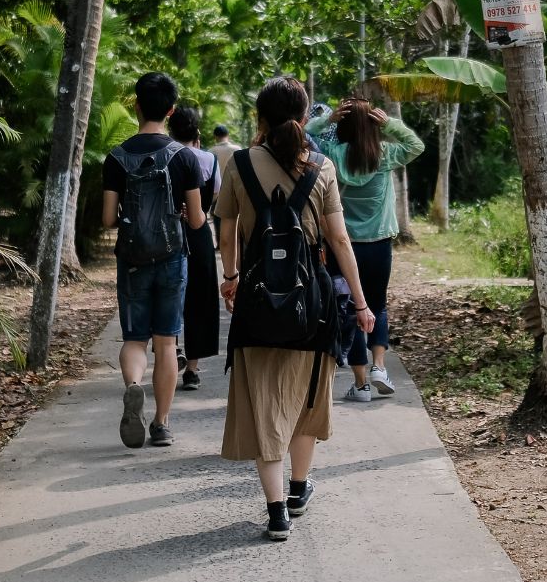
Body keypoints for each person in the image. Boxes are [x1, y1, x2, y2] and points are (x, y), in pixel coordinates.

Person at [216, 77, 374, 541]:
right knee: (307, 397)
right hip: (314, 303)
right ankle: (298, 489)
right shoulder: (321, 167)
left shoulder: (240, 165)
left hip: (257, 300)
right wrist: (362, 304)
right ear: (305, 118)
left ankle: (275, 512)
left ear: (260, 118)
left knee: (265, 401)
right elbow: (340, 240)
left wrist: (230, 278)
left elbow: (227, 236)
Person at [101, 73, 207, 449]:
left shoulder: (116, 158)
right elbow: (196, 221)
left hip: (131, 259)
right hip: (172, 257)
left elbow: (108, 219)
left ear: (136, 105)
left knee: (134, 338)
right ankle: (161, 424)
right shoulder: (185, 158)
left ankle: (133, 386)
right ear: (172, 110)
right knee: (166, 343)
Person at [307, 97, 425, 403]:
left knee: (351, 308)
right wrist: (389, 123)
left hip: (342, 246)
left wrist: (327, 120)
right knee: (377, 304)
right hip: (379, 245)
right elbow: (416, 145)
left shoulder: (331, 153)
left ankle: (360, 385)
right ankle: (379, 367)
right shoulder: (384, 154)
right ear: (372, 125)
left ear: (343, 126)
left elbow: (306, 136)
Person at [167, 107, 220, 391]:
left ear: (170, 130)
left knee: (170, 295)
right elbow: (216, 196)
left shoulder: (165, 156)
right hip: (199, 234)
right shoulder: (209, 159)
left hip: (169, 233)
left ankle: (173, 349)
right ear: (197, 132)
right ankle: (193, 370)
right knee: (200, 300)